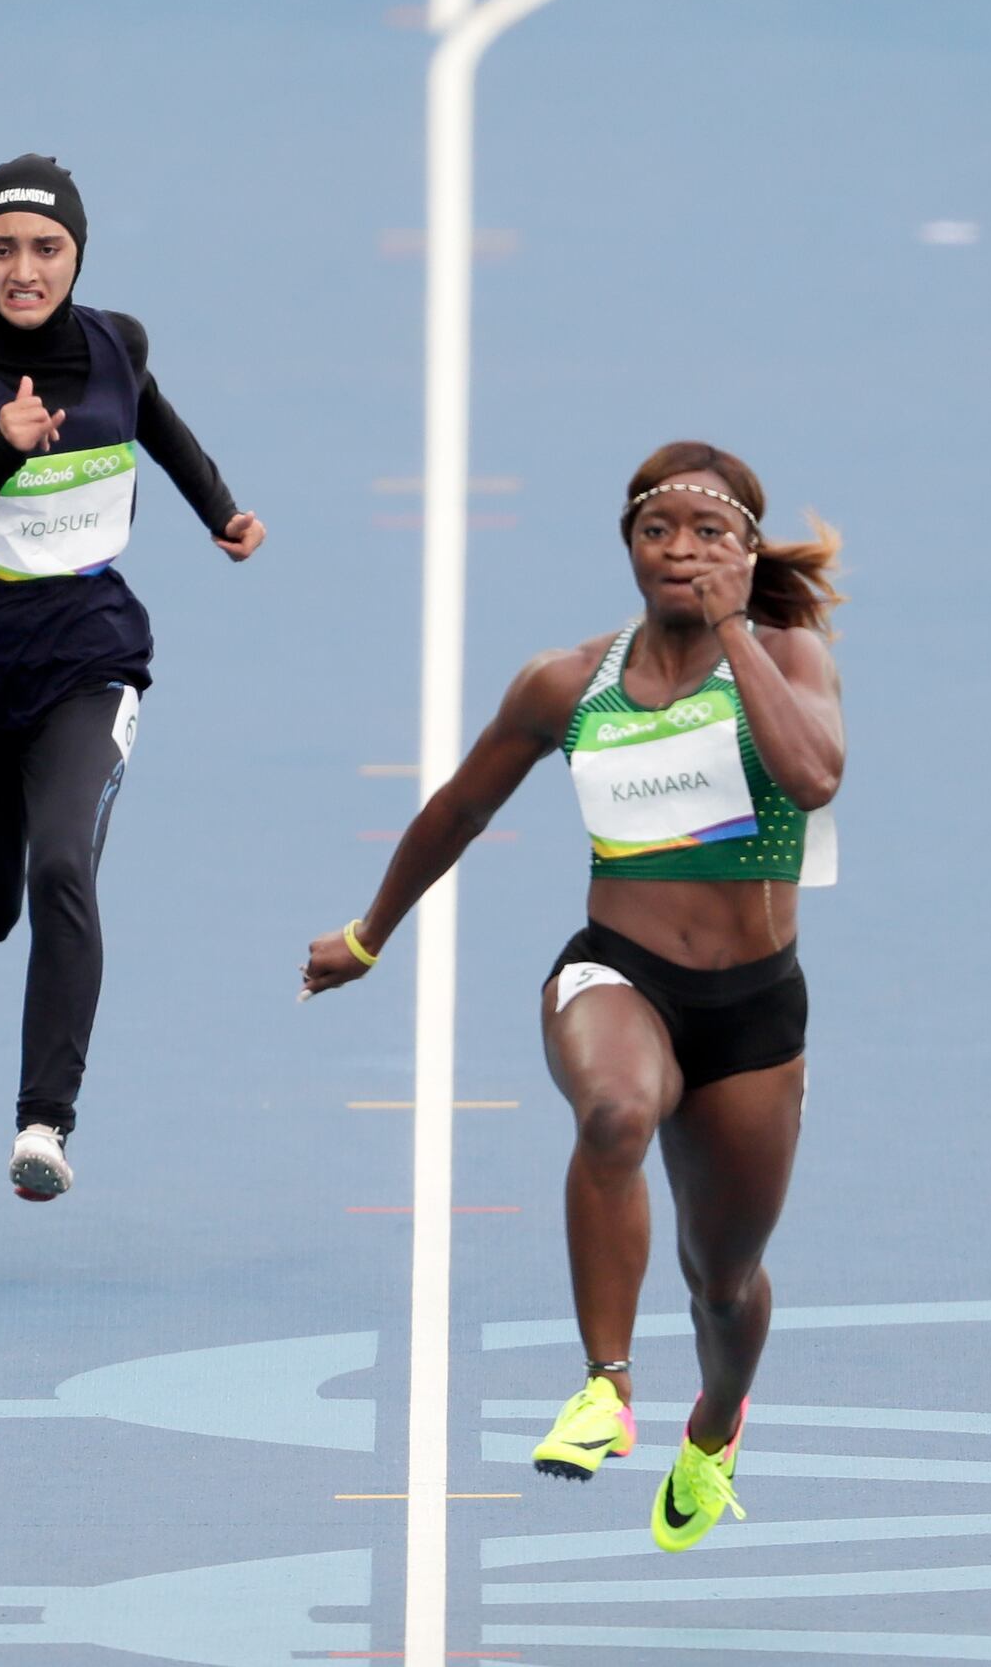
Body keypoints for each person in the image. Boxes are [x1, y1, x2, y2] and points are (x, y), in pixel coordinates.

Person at [305, 442, 842, 1554]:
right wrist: (369, 934)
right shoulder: (569, 684)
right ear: (628, 549)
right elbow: (457, 810)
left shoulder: (789, 657)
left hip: (752, 1013)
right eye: (659, 534)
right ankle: (605, 1384)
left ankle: (716, 1420)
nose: (681, 553)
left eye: (708, 535)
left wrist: (738, 631)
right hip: (615, 973)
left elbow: (816, 778)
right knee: (614, 1113)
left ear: (745, 551)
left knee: (724, 1282)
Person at [0, 154, 262, 1201]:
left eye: (46, 249)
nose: (23, 269)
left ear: (78, 253)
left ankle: (44, 1122)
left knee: (64, 867)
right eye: (2, 248)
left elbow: (158, 423)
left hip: (89, 656)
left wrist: (221, 510)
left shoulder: (113, 344)